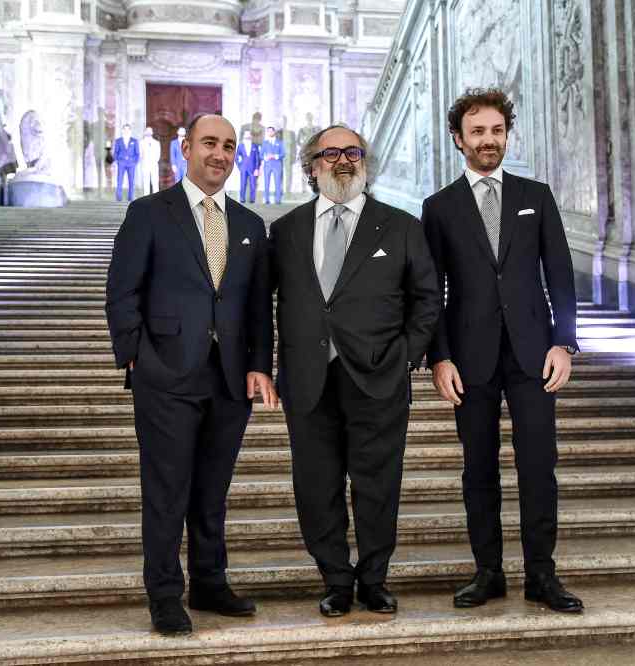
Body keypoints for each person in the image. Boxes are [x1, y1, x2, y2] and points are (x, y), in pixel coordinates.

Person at [105, 114, 277, 636]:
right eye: (209, 143)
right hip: (167, 375)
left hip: (228, 380)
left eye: (228, 146)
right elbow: (122, 290)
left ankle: (209, 581)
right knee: (166, 489)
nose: (220, 154)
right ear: (185, 148)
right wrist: (134, 354)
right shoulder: (149, 213)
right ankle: (163, 594)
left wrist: (258, 366)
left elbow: (256, 307)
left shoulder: (250, 225)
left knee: (212, 489)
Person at [421, 87, 583, 613]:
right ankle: (488, 571)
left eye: (496, 131)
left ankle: (542, 574)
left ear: (506, 134)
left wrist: (565, 341)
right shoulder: (438, 207)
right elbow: (432, 291)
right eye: (477, 132)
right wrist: (439, 356)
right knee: (479, 468)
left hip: (534, 355)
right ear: (458, 139)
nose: (488, 141)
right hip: (471, 359)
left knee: (539, 465)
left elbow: (558, 271)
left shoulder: (535, 195)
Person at [269, 125, 440, 618]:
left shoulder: (402, 226)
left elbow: (426, 298)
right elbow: (262, 304)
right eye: (330, 154)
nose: (342, 161)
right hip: (308, 379)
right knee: (316, 486)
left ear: (364, 161)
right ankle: (335, 581)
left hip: (378, 377)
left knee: (378, 485)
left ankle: (374, 580)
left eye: (352, 152)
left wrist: (406, 354)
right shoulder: (286, 231)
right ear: (312, 165)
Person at [113, 124, 139, 201]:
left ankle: (130, 198)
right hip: (121, 163)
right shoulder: (118, 141)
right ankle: (118, 198)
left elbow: (137, 153)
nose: (126, 131)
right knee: (119, 181)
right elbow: (115, 153)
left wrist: (134, 162)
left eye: (128, 129)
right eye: (125, 129)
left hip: (131, 164)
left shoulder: (134, 141)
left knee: (131, 181)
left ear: (130, 131)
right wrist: (118, 161)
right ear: (122, 130)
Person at [234, 130, 261, 204]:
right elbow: (236, 157)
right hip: (243, 168)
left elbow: (257, 158)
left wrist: (257, 169)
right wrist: (240, 166)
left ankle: (252, 199)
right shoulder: (240, 146)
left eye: (249, 134)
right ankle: (242, 199)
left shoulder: (255, 146)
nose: (247, 136)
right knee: (243, 183)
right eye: (246, 134)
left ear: (251, 136)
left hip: (252, 168)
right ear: (244, 136)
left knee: (253, 184)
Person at [261, 126, 286, 204]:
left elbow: (283, 154)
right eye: (268, 131)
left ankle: (278, 200)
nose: (270, 133)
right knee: (266, 183)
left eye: (271, 131)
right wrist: (266, 157)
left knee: (278, 182)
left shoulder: (279, 142)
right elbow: (261, 155)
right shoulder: (265, 143)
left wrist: (275, 156)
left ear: (274, 132)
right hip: (267, 165)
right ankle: (266, 200)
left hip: (277, 165)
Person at [139, 126, 162, 194]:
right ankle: (146, 199)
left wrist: (154, 161)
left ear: (152, 132)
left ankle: (156, 199)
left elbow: (158, 154)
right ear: (145, 132)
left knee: (155, 182)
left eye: (150, 131)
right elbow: (140, 154)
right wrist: (143, 161)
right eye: (147, 131)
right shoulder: (141, 142)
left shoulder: (156, 142)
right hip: (145, 164)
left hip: (154, 165)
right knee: (146, 183)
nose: (149, 132)